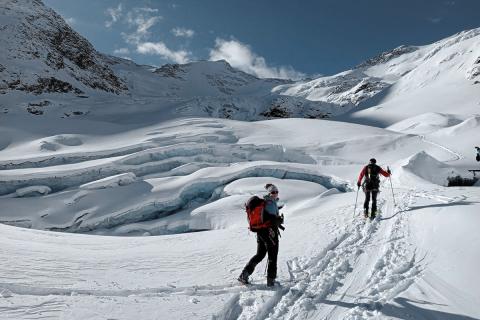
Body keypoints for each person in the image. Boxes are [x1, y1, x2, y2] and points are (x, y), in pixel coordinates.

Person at [238, 183, 284, 287]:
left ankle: (244, 275)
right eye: (273, 192)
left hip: (260, 232)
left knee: (260, 254)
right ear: (269, 193)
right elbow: (271, 220)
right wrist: (278, 220)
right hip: (270, 232)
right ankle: (271, 281)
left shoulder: (265, 202)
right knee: (273, 255)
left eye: (276, 192)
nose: (275, 194)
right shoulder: (270, 203)